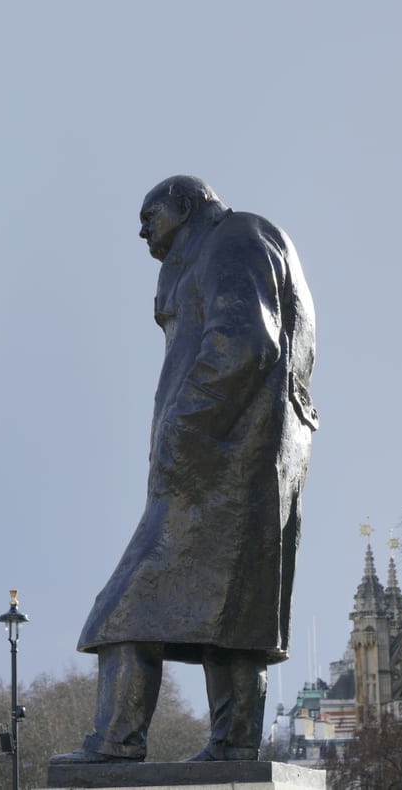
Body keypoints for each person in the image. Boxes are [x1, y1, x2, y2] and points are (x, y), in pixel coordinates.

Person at [51, 176, 318, 764]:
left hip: (221, 460)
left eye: (152, 214)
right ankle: (233, 745)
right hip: (250, 456)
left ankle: (116, 741)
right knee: (236, 613)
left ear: (189, 205)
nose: (142, 228)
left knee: (125, 608)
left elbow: (247, 342)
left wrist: (183, 429)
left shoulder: (232, 238)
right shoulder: (234, 243)